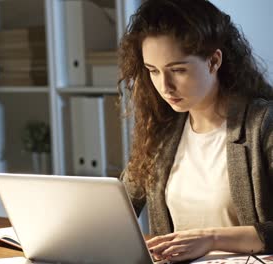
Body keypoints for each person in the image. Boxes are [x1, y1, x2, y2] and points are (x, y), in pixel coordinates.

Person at [117, 0, 273, 262]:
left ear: (214, 61)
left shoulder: (263, 124)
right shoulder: (162, 131)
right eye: (153, 71)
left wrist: (211, 238)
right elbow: (117, 210)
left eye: (177, 70)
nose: (164, 86)